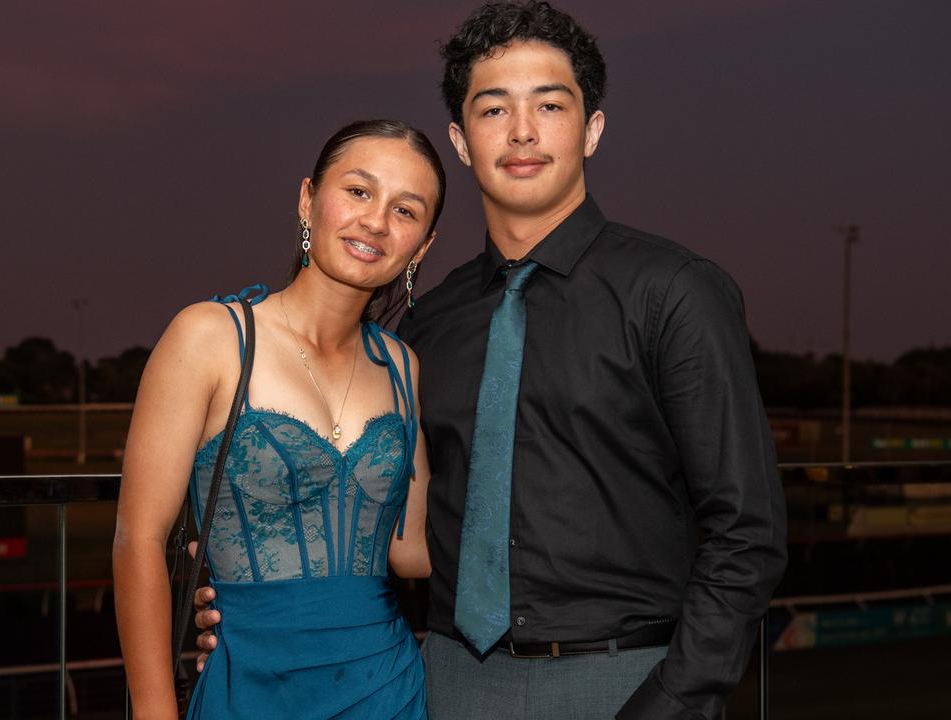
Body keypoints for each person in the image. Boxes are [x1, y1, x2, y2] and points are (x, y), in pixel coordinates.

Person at [196, 3, 788, 719]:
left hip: (628, 679)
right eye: (493, 109)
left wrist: (673, 699)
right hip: (446, 681)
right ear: (462, 140)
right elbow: (367, 513)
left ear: (592, 128)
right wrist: (241, 612)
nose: (523, 132)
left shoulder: (674, 292)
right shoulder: (422, 327)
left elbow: (747, 531)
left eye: (550, 105)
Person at [112, 119, 445, 720]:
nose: (375, 221)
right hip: (252, 689)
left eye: (406, 210)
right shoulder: (211, 336)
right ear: (307, 200)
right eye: (359, 191)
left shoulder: (401, 366)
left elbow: (413, 552)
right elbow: (138, 540)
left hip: (389, 687)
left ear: (421, 247)